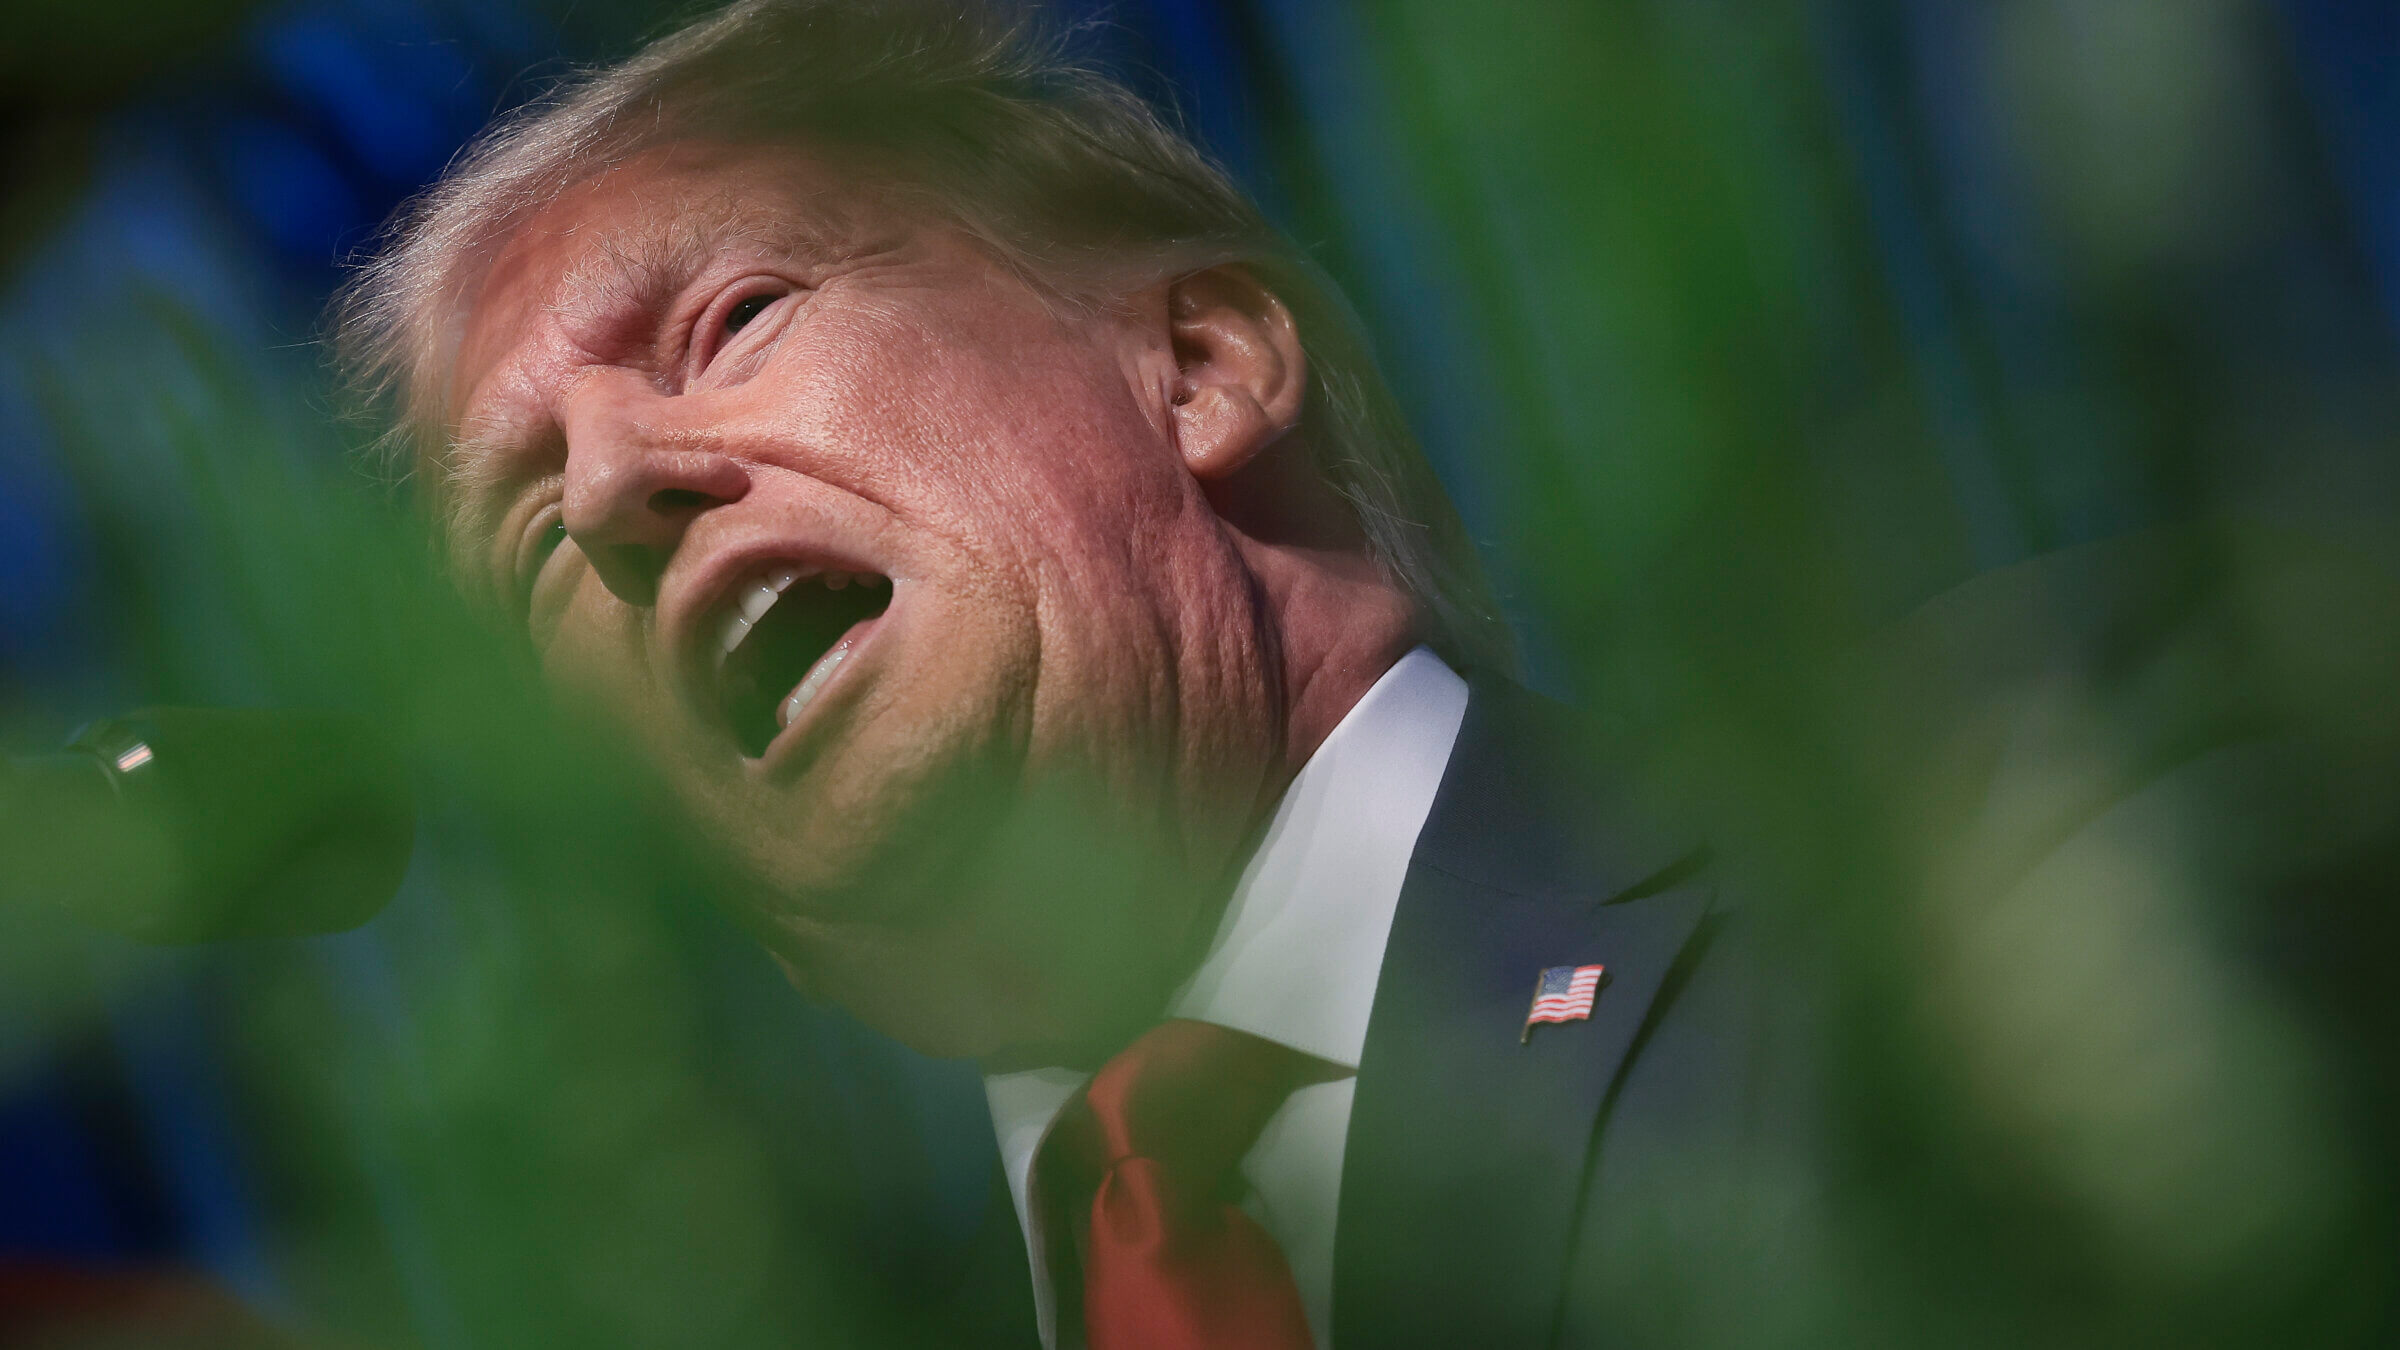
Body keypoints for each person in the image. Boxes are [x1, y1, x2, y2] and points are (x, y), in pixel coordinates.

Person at [334, 0, 2400, 1346]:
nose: (610, 488)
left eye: (730, 320)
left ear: (1203, 360)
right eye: (523, 548)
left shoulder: (1987, 908)